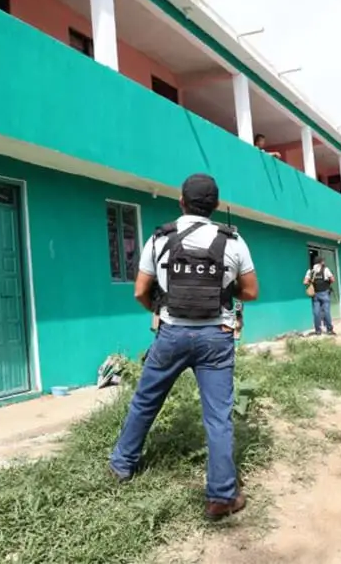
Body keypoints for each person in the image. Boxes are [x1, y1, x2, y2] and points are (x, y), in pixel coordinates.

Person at [109, 173, 259, 521]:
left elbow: (139, 291)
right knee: (218, 417)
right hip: (216, 339)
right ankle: (221, 496)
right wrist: (225, 289)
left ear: (181, 202)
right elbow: (251, 291)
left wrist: (160, 310)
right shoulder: (233, 241)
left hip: (171, 335)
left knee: (146, 401)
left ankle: (121, 465)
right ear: (216, 206)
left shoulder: (159, 238)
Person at [304, 256, 336, 335]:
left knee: (316, 312)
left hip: (315, 294)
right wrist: (327, 283)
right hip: (324, 293)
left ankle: (318, 331)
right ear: (321, 262)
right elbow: (332, 280)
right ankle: (329, 330)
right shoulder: (325, 269)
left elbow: (305, 282)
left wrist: (312, 283)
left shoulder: (310, 271)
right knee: (326, 311)